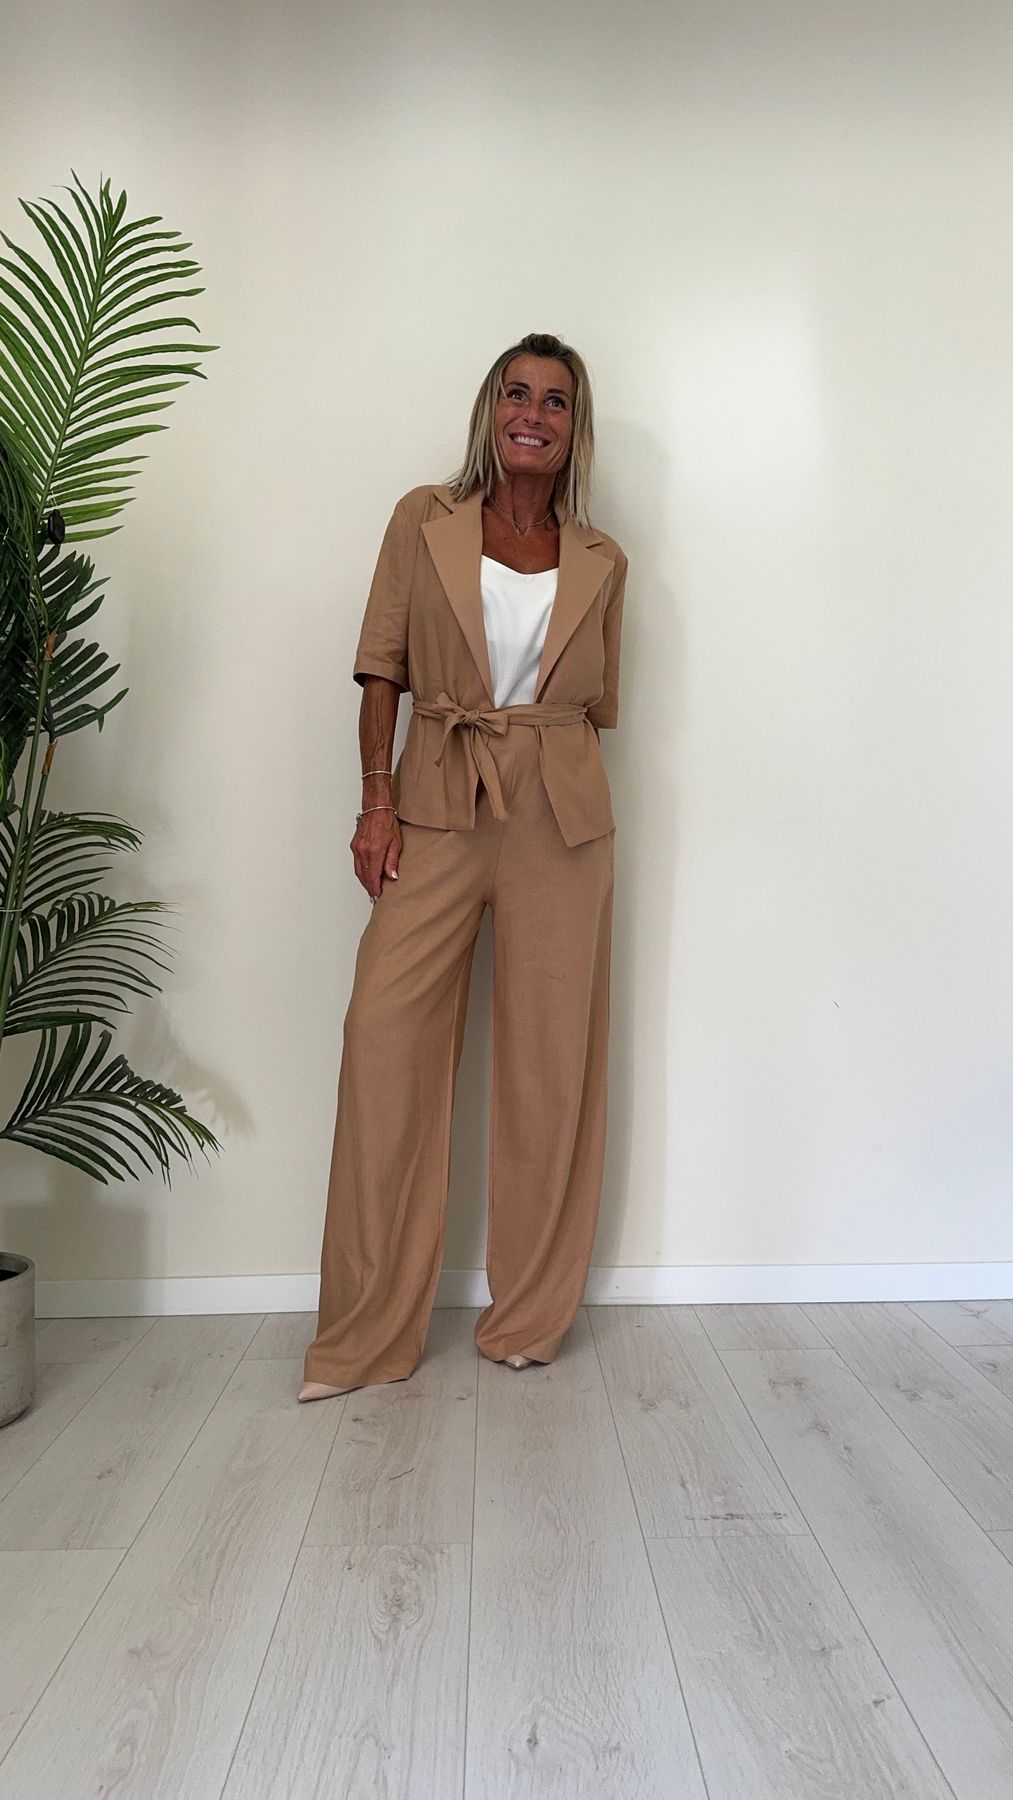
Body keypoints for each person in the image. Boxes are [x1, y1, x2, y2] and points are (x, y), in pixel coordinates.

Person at [299, 331, 628, 1402]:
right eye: (517, 394)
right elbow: (381, 669)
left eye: (555, 401)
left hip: (559, 818)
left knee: (548, 1065)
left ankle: (527, 1317)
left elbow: (598, 702)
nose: (533, 414)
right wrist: (375, 801)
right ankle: (364, 1334)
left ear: (574, 428)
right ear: (490, 410)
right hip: (437, 795)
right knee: (381, 1037)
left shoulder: (603, 558)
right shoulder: (423, 519)